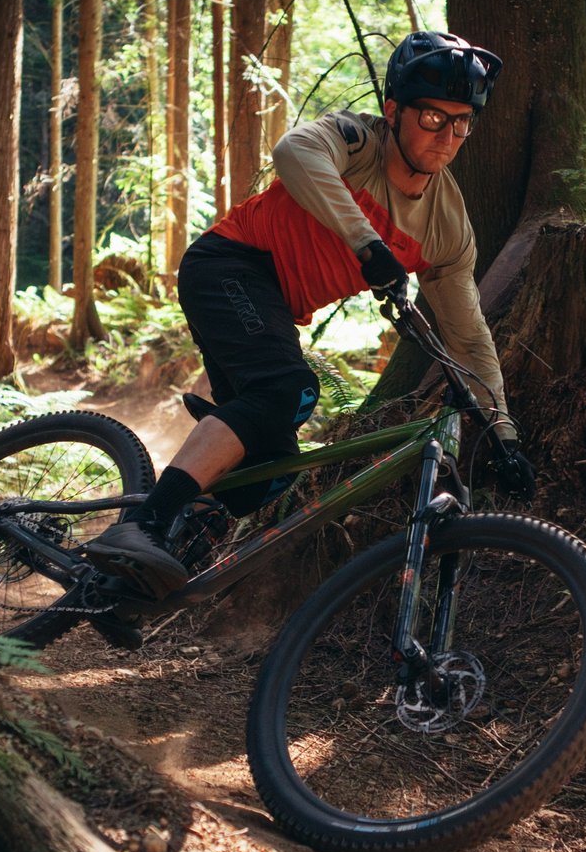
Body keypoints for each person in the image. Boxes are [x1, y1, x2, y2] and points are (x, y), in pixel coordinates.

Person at [82, 30, 535, 600]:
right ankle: (143, 525)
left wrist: (502, 432)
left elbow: (469, 339)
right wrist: (367, 244)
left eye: (461, 122)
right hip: (230, 263)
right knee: (287, 392)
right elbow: (293, 152)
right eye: (431, 118)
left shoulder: (448, 224)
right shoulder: (357, 140)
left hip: (272, 307)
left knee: (269, 472)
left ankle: (125, 586)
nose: (446, 136)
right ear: (394, 111)